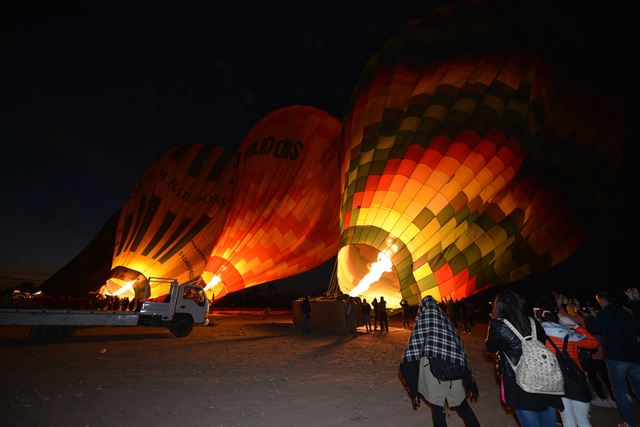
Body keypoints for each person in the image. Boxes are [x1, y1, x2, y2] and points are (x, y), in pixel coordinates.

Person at [485, 289, 563, 427]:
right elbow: (542, 342)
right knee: (548, 420)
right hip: (543, 376)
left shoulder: (497, 325)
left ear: (498, 305)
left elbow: (491, 347)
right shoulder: (532, 321)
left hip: (518, 380)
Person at [401, 295, 480, 427]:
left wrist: (413, 387)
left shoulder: (422, 322)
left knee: (438, 408)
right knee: (462, 405)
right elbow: (460, 349)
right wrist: (469, 379)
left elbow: (411, 352)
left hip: (432, 372)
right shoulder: (447, 323)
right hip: (452, 370)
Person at [586, 290, 640, 427]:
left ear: (603, 300)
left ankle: (631, 422)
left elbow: (594, 328)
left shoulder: (606, 312)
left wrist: (591, 317)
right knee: (638, 388)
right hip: (633, 356)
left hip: (616, 358)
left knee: (619, 392)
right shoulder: (625, 311)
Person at [540, 306, 600, 426]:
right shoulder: (571, 336)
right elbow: (594, 343)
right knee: (583, 420)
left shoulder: (541, 339)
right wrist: (576, 327)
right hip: (576, 378)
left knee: (567, 420)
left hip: (557, 382)